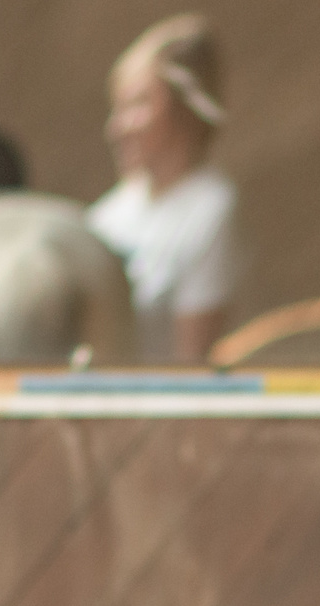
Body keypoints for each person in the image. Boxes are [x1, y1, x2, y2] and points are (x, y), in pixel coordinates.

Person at [87, 15, 239, 364]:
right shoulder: (111, 212)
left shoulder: (211, 210)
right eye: (118, 108)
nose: (117, 128)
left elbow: (192, 364)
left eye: (137, 104)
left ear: (183, 107)